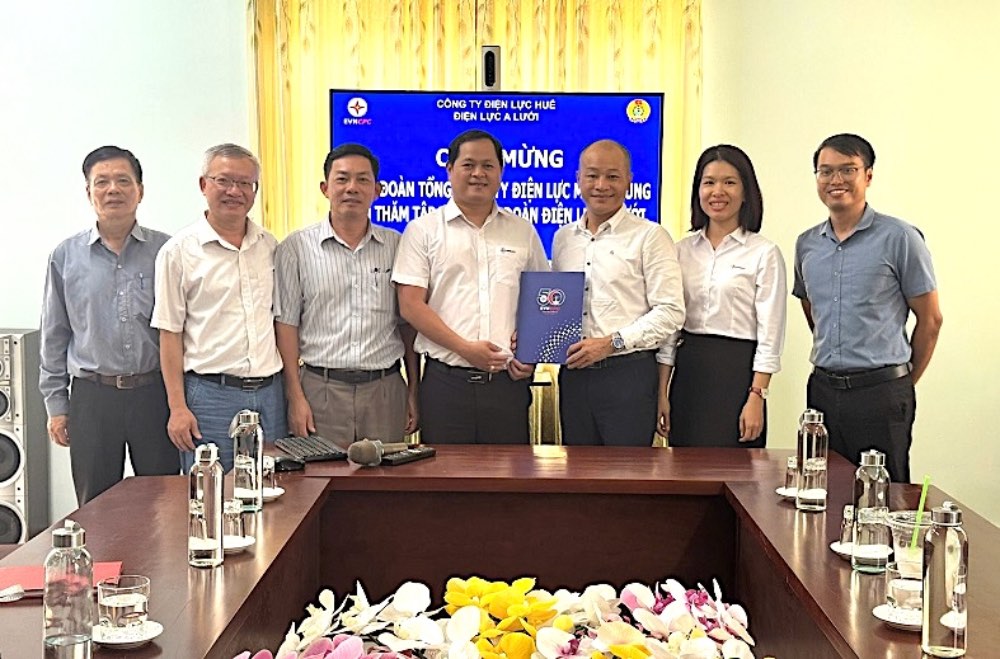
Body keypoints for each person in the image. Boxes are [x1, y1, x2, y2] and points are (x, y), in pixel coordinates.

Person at [793, 133, 942, 482]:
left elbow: (931, 319)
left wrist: (903, 382)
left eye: (848, 169)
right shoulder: (807, 244)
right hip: (823, 390)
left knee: (884, 493)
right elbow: (813, 310)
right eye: (826, 171)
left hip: (881, 393)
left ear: (868, 175)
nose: (836, 180)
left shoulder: (900, 238)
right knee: (822, 488)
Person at [39, 146, 179, 504]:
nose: (113, 189)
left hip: (154, 394)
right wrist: (57, 406)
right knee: (95, 506)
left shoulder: (167, 251)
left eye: (123, 180)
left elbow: (183, 329)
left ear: (140, 191)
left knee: (164, 501)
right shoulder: (65, 256)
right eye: (102, 182)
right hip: (93, 397)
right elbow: (54, 336)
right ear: (89, 192)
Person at [392, 129, 548, 443]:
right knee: (445, 473)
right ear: (450, 169)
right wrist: (465, 349)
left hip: (507, 386)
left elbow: (543, 301)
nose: (478, 173)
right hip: (445, 386)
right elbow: (410, 305)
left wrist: (532, 354)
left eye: (488, 166)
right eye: (468, 165)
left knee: (509, 474)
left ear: (501, 172)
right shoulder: (423, 230)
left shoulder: (523, 231)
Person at [152, 143, 287, 472]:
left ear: (254, 191)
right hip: (210, 396)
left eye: (244, 183)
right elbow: (169, 334)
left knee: (276, 488)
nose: (234, 191)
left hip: (270, 394)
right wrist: (177, 407)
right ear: (204, 185)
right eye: (224, 181)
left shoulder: (270, 246)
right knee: (213, 491)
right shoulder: (178, 252)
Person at [274, 144, 419, 449]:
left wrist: (413, 393)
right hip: (320, 390)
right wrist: (295, 397)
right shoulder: (295, 248)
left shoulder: (398, 246)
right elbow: (286, 327)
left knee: (385, 476)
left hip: (384, 390)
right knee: (320, 475)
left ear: (377, 190)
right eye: (342, 179)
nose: (352, 187)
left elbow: (408, 327)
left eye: (362, 179)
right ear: (325, 188)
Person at [551, 139, 685, 446]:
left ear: (629, 181)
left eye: (612, 176)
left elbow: (671, 312)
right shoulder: (563, 239)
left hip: (628, 375)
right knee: (577, 470)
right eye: (592, 175)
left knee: (627, 471)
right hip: (574, 376)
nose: (601, 185)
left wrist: (611, 343)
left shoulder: (650, 236)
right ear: (578, 179)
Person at [656, 144, 787, 448]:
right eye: (709, 182)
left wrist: (757, 396)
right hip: (689, 374)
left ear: (746, 192)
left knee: (736, 469)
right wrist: (662, 392)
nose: (718, 192)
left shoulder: (764, 253)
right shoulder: (680, 250)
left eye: (729, 182)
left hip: (737, 376)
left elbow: (770, 335)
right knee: (685, 467)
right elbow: (670, 329)